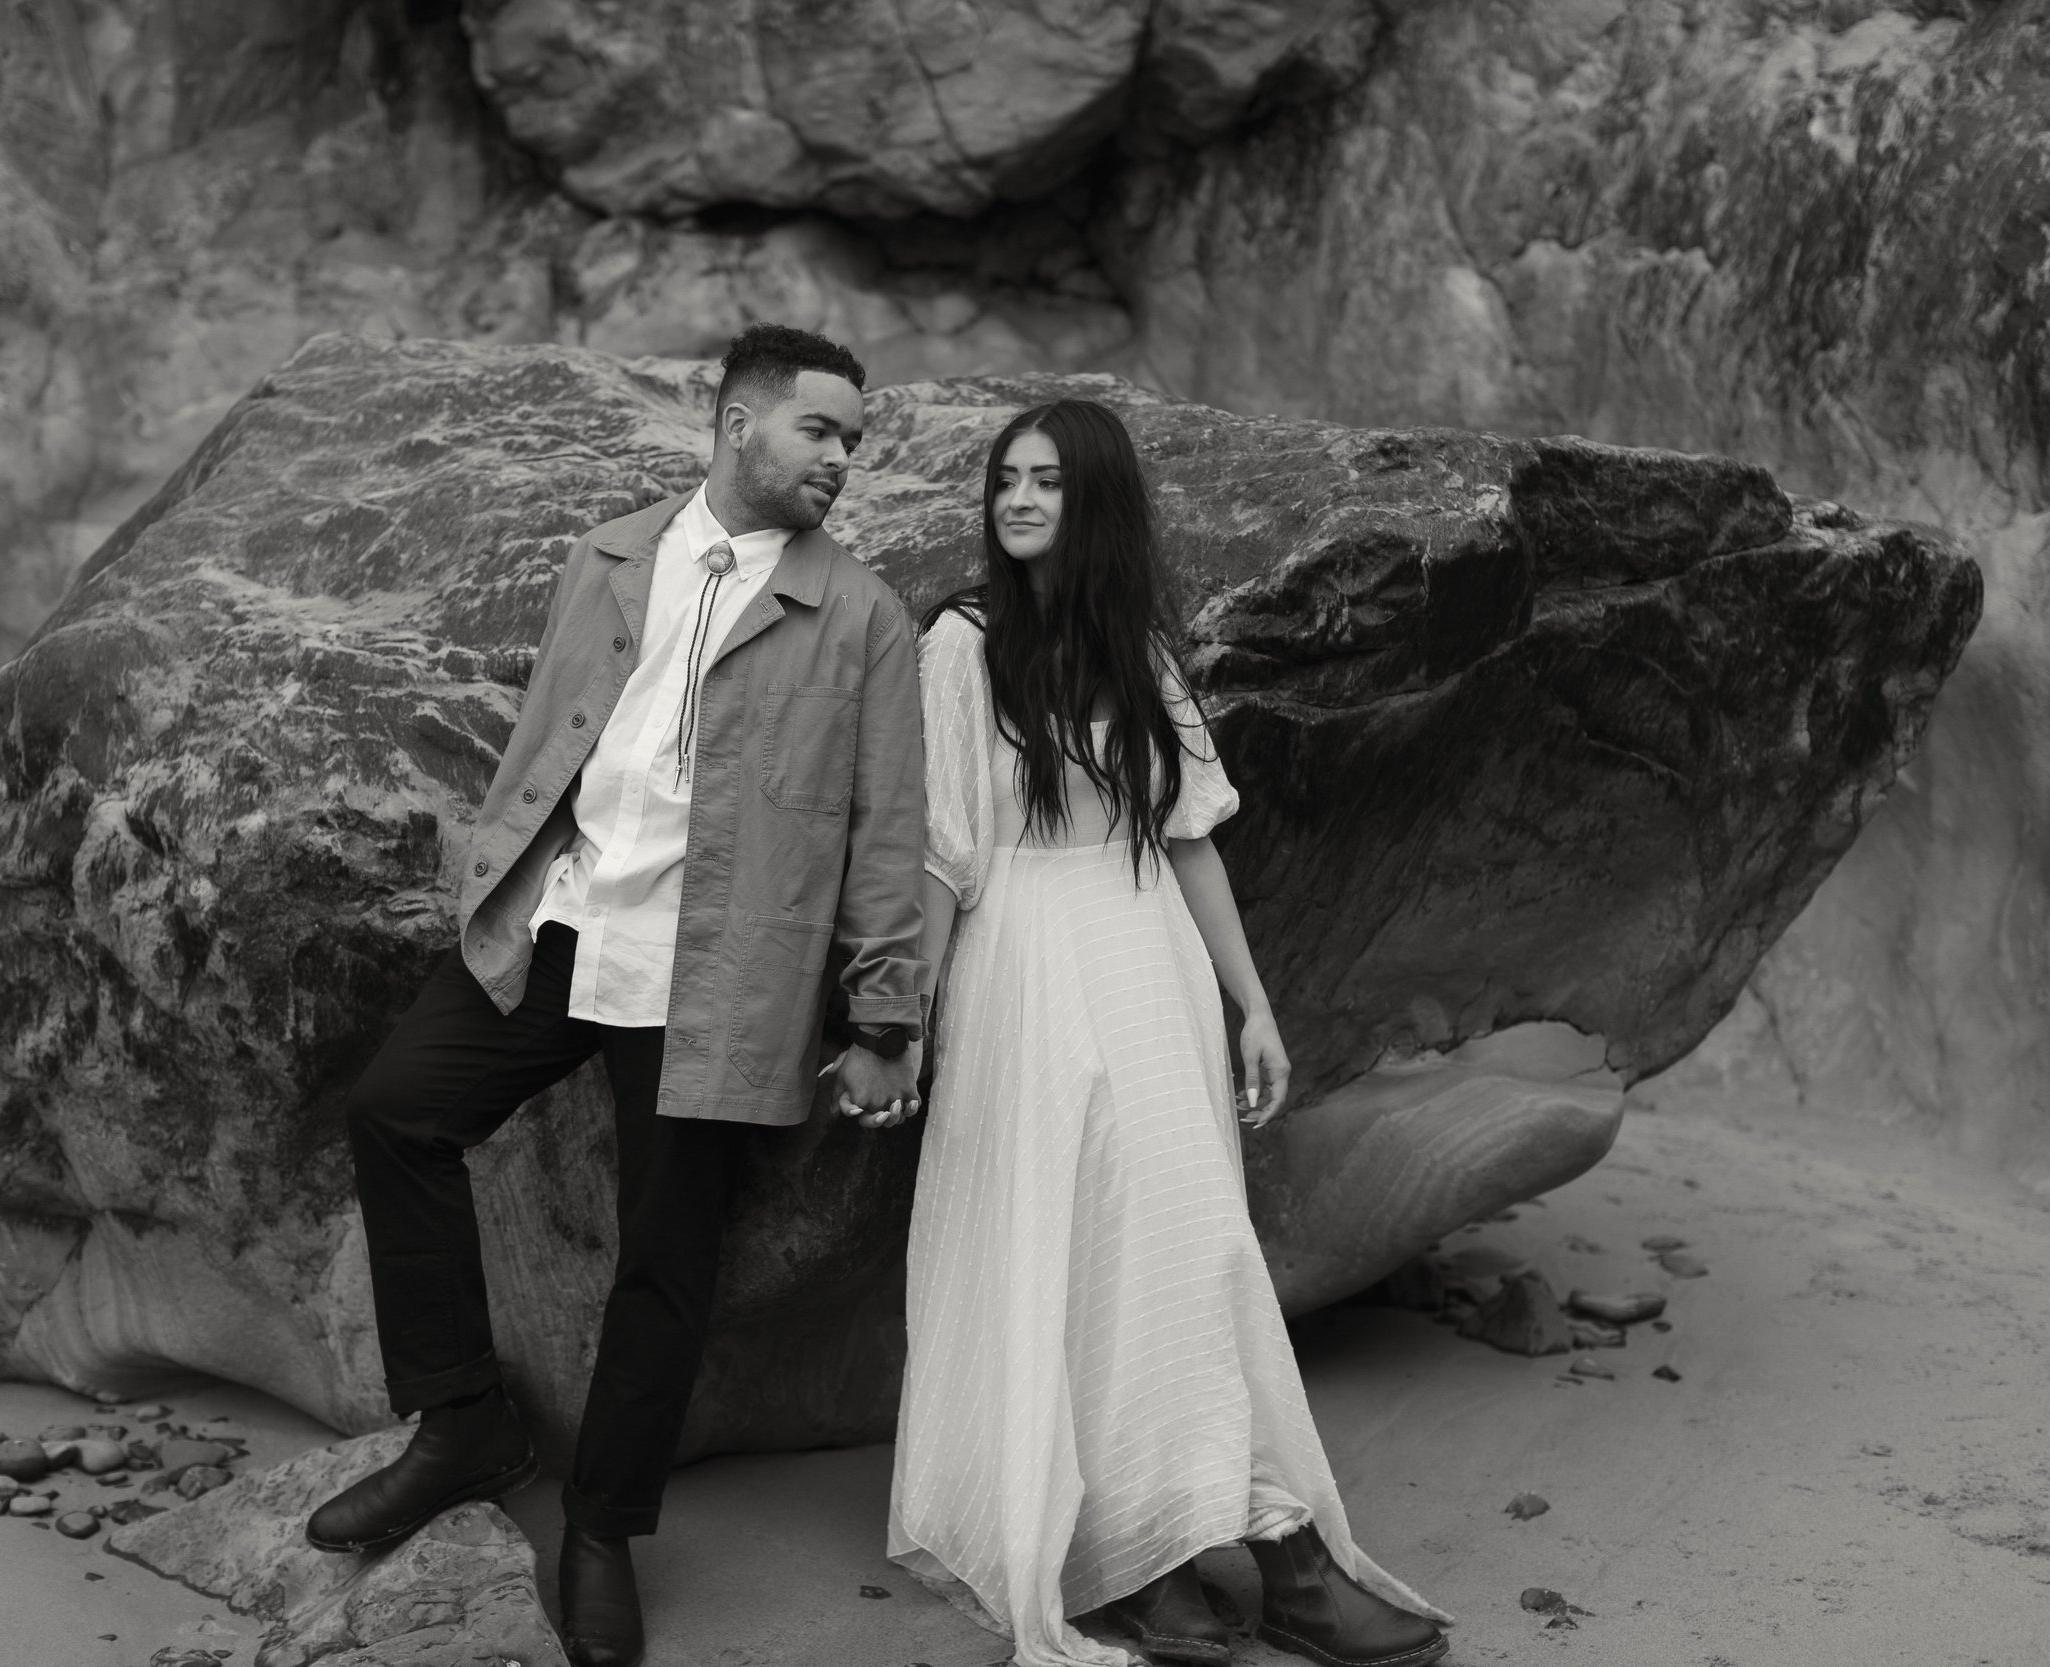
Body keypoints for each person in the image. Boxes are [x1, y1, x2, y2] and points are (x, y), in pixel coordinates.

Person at [305, 322, 929, 1667]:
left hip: (719, 976)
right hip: (560, 929)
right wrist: (495, 864)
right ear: (735, 420)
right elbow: (555, 735)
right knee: (398, 1109)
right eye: (820, 430)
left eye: (854, 443)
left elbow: (889, 833)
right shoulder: (607, 556)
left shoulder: (864, 615)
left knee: (667, 1262)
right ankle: (465, 1416)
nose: (842, 460)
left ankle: (602, 1529)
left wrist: (885, 1016)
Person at [879, 399, 1455, 1667]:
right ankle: (1137, 1552)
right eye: (1005, 482)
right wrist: (906, 1018)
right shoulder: (961, 646)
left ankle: (1266, 1544)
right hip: (1028, 966)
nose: (1018, 501)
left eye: (1046, 483)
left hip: (1149, 962)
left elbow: (1185, 828)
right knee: (1076, 1246)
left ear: (1096, 504)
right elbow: (944, 851)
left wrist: (1249, 998)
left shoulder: (1136, 646)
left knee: (1192, 1241)